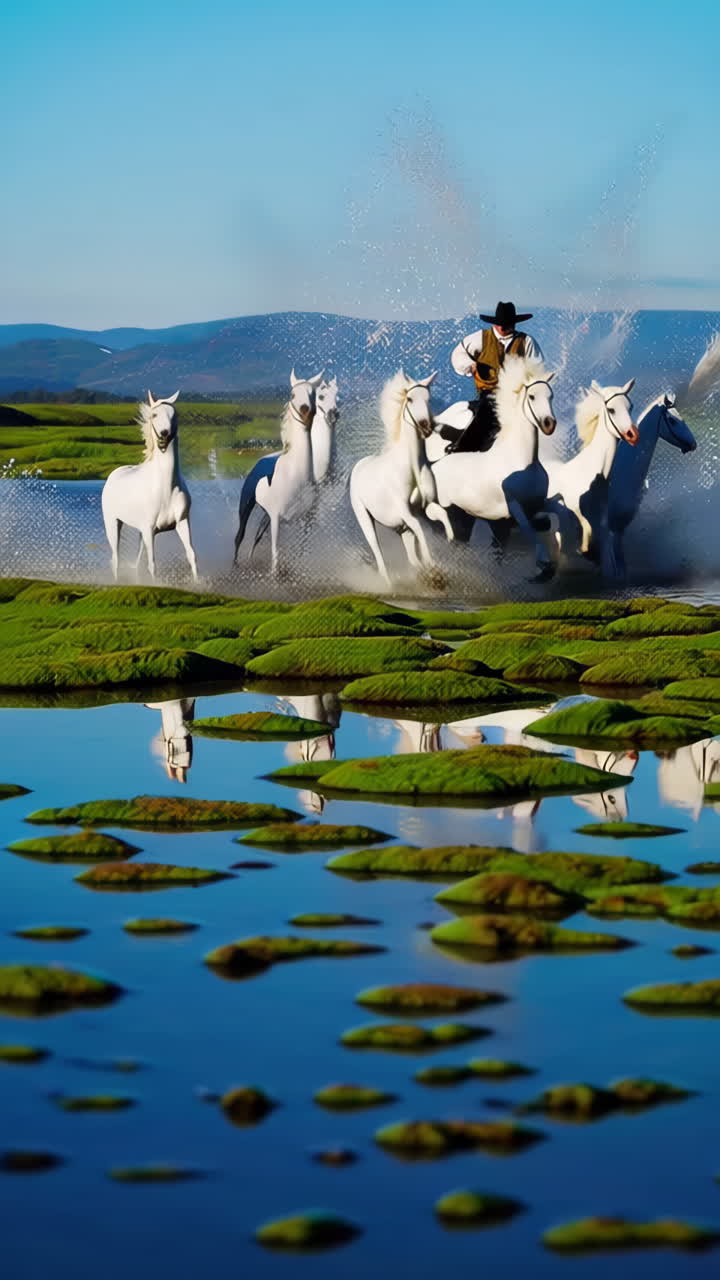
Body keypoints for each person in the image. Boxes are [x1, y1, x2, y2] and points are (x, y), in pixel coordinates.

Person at [445, 301, 544, 452]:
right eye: (500, 323)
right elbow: (458, 355)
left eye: (507, 323)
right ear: (495, 323)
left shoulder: (527, 341)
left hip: (518, 394)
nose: (503, 327)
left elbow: (538, 367)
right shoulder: (480, 338)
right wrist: (470, 365)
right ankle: (463, 450)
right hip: (489, 392)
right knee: (487, 413)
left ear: (514, 323)